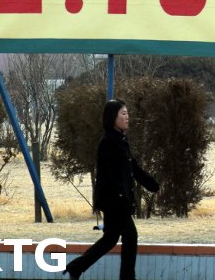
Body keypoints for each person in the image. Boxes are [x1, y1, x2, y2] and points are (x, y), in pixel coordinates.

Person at [65, 100, 159, 280]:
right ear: (112, 118)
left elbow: (132, 167)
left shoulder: (120, 139)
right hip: (114, 200)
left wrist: (151, 184)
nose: (127, 117)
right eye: (123, 114)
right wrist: (121, 196)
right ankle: (127, 278)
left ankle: (76, 267)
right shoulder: (108, 142)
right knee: (130, 236)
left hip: (118, 199)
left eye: (127, 113)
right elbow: (107, 176)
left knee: (110, 239)